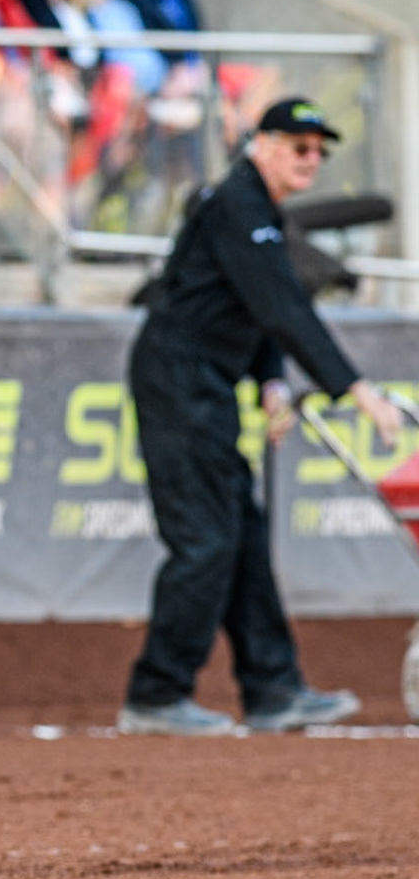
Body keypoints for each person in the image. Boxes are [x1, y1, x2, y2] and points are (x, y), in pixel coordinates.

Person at [119, 97, 402, 735]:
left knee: (242, 534)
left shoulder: (259, 212)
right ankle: (157, 694)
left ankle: (273, 690)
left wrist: (270, 382)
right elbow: (280, 306)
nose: (312, 159)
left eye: (319, 151)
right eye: (299, 146)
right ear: (262, 144)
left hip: (209, 382)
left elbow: (259, 304)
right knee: (206, 539)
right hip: (179, 379)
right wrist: (355, 389)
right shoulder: (233, 204)